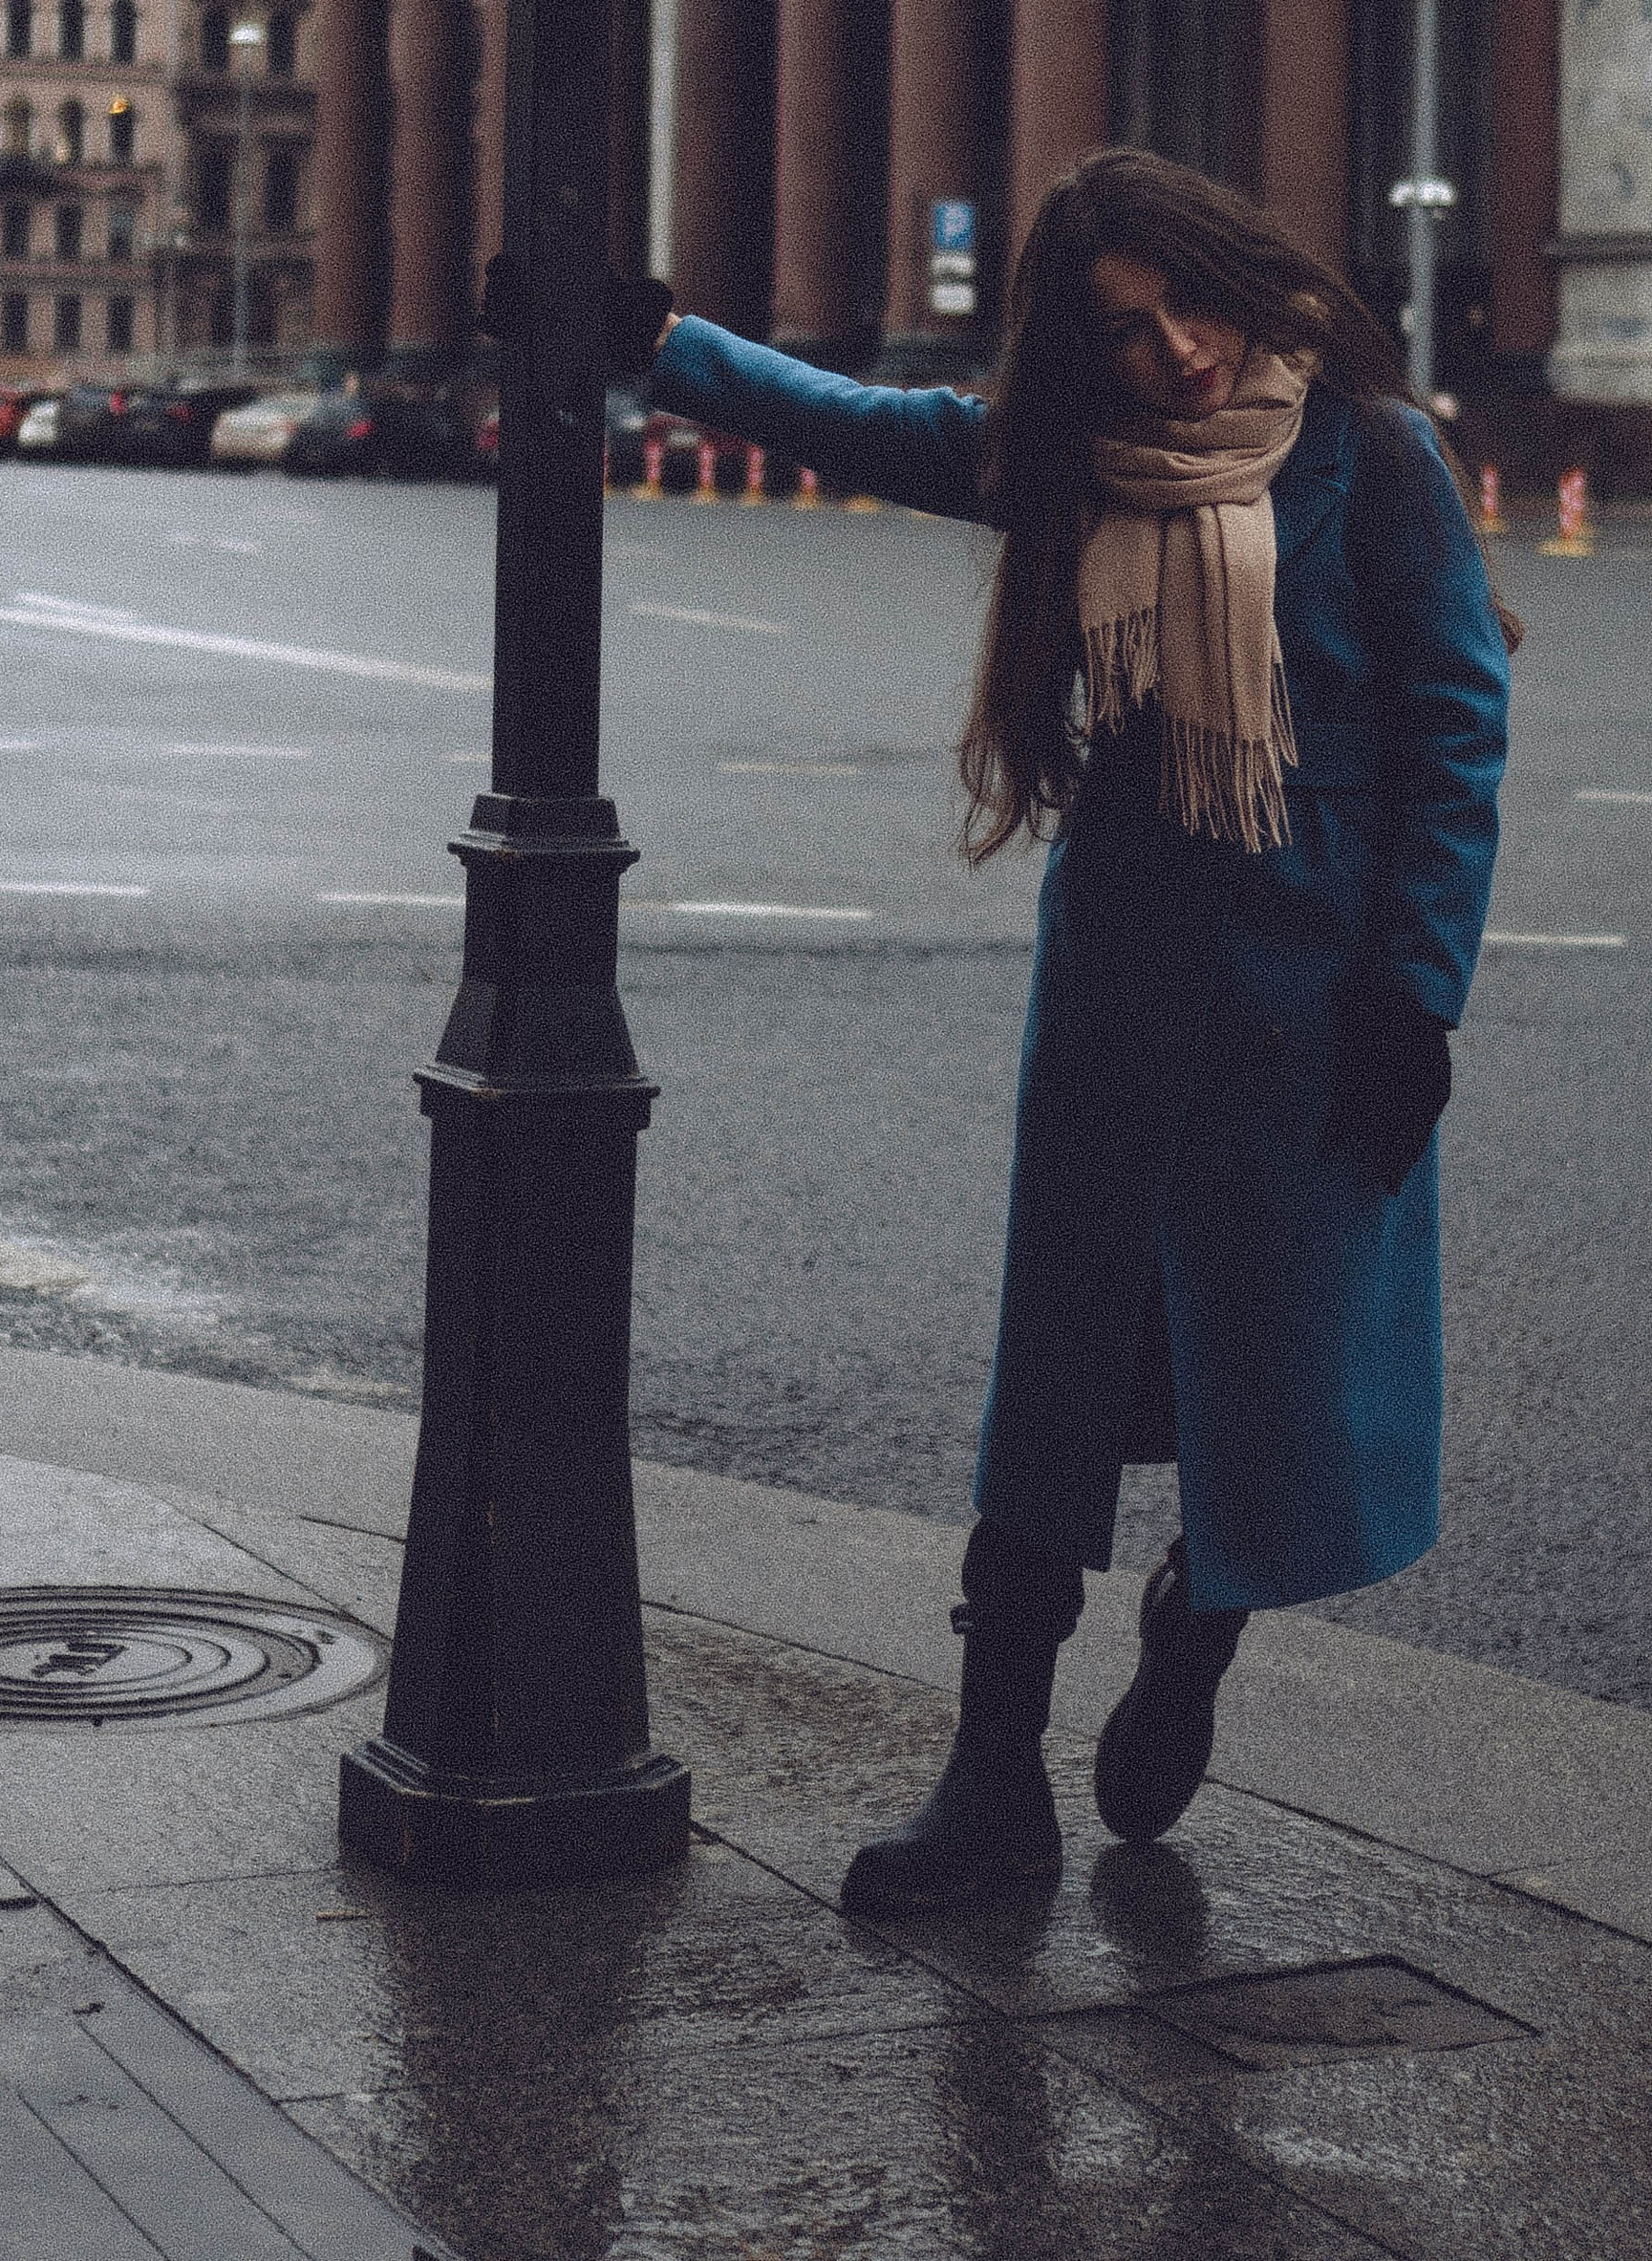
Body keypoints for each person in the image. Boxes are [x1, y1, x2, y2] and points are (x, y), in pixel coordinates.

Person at [614, 149, 1513, 1911]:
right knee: (1056, 1381)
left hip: (1311, 1005)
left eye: (1188, 303)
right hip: (1117, 981)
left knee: (1270, 1369)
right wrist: (665, 341)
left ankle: (1197, 1630)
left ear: (1242, 282)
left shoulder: (1374, 460)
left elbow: (1456, 733)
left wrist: (1419, 995)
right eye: (1120, 331)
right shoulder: (1067, 460)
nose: (1171, 351)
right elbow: (868, 426)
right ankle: (991, 1784)